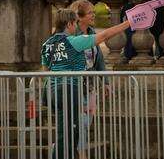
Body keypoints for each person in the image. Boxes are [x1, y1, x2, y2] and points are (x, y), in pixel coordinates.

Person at [41, 9, 130, 159]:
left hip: (53, 91)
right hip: (70, 89)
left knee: (68, 132)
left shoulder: (47, 44)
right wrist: (128, 23)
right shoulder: (74, 41)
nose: (76, 26)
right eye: (75, 23)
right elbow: (105, 35)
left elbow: (45, 70)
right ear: (69, 24)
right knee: (68, 133)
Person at [69, 0, 109, 159]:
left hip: (90, 86)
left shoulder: (92, 33)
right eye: (90, 13)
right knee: (81, 125)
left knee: (86, 123)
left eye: (93, 12)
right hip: (75, 87)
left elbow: (98, 60)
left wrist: (105, 82)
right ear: (79, 17)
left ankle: (61, 149)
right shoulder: (71, 35)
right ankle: (81, 155)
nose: (94, 15)